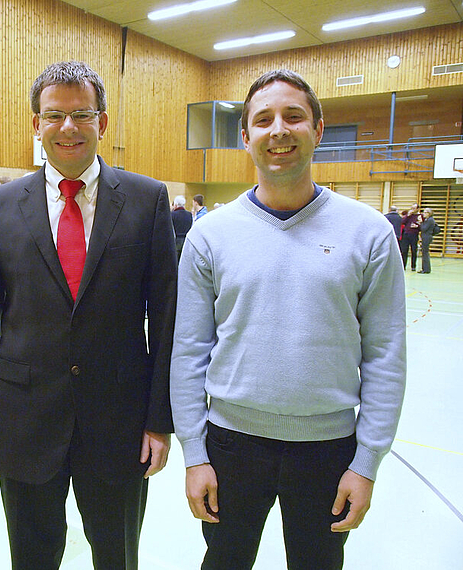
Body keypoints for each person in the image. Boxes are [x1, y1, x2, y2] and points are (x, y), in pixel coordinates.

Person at [170, 69, 406, 570]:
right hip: (231, 445)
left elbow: (385, 354)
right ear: (246, 136)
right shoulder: (210, 235)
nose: (279, 129)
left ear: (318, 130)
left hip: (328, 450)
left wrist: (366, 463)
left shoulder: (369, 233)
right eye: (264, 119)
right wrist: (194, 452)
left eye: (293, 116)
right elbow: (189, 350)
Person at [0, 60, 177, 570]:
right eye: (54, 115)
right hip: (25, 423)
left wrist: (159, 421)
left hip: (119, 425)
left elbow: (166, 318)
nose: (68, 128)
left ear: (102, 122)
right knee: (31, 557)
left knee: (117, 556)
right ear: (36, 124)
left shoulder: (147, 200)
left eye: (81, 114)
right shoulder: (0, 205)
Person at [400, 203, 422, 270]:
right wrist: (407, 215)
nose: (412, 210)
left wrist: (417, 226)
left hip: (414, 234)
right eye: (411, 208)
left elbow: (421, 226)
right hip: (406, 234)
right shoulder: (409, 215)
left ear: (418, 209)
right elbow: (402, 222)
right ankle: (403, 265)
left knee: (413, 250)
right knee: (404, 250)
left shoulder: (420, 216)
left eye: (414, 208)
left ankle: (413, 266)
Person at [418, 207, 438, 274]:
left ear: (429, 213)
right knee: (424, 253)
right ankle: (425, 268)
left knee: (425, 253)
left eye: (425, 212)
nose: (423, 214)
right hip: (426, 237)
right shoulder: (428, 220)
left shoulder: (429, 220)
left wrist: (421, 222)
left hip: (426, 237)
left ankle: (426, 269)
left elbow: (424, 228)